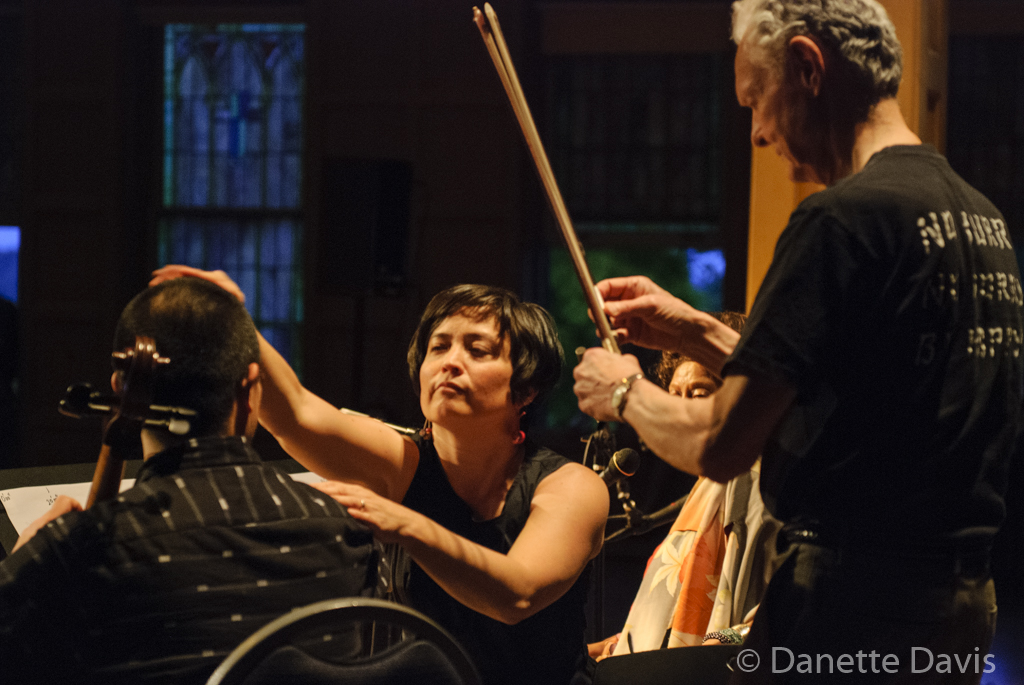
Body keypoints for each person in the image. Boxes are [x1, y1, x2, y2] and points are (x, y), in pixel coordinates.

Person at [573, 1, 1022, 682]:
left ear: (809, 68)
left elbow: (719, 444)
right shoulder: (977, 215)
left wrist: (623, 388)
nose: (755, 132)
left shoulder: (839, 222)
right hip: (956, 613)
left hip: (851, 610)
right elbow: (859, 392)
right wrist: (692, 327)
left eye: (756, 99)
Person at [150, 267, 609, 685]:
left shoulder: (571, 486)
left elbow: (518, 594)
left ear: (525, 388)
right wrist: (234, 317)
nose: (450, 361)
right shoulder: (406, 461)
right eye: (439, 346)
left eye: (478, 349)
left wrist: (401, 522)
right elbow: (298, 415)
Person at [0, 277, 376, 684]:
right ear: (251, 389)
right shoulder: (344, 532)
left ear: (118, 389)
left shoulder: (80, 552)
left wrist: (27, 563)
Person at [592, 313, 780, 660]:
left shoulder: (751, 478)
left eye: (699, 393)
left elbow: (769, 620)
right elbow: (675, 621)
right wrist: (616, 646)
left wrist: (717, 642)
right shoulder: (706, 489)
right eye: (675, 395)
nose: (681, 408)